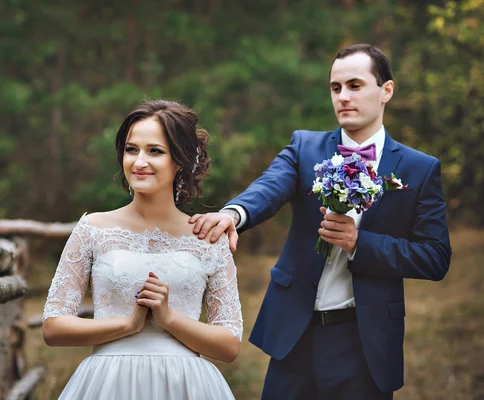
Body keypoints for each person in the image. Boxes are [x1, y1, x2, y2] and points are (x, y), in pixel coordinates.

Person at [189, 44, 452, 399]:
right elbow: (269, 188)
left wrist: (361, 243)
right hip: (295, 333)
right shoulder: (305, 147)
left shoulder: (419, 169)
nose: (343, 96)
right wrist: (234, 214)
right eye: (335, 87)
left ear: (386, 90)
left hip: (365, 341)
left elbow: (435, 256)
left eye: (355, 85)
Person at [42, 100, 243, 400]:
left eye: (155, 151)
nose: (139, 162)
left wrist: (169, 318)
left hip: (186, 387)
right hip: (107, 385)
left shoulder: (207, 236)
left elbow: (229, 344)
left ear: (181, 160)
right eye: (131, 149)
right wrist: (126, 325)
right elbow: (53, 327)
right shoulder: (93, 229)